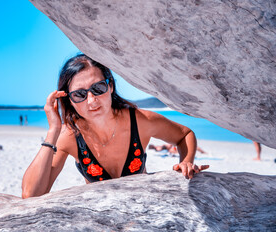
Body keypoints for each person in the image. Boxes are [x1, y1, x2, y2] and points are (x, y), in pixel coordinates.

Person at [22, 54, 209, 198]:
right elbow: (32, 195)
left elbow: (184, 134)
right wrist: (54, 130)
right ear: (69, 100)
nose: (92, 100)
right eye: (79, 94)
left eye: (98, 88)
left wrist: (186, 161)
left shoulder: (139, 121)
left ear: (110, 86)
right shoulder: (70, 135)